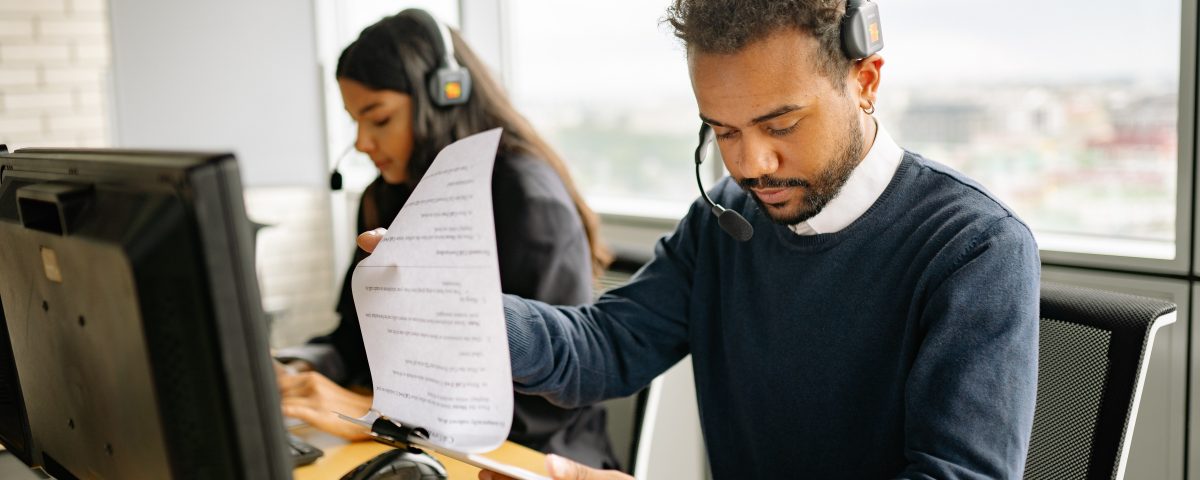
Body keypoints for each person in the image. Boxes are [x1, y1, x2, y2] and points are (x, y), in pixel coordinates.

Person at [363, 0, 1040, 478]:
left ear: (864, 81)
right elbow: (604, 347)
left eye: (780, 126)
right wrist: (470, 312)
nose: (750, 165)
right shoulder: (724, 222)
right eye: (722, 130)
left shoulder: (975, 250)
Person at [274, 8, 621, 470]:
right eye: (354, 121)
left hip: (532, 458)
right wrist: (296, 367)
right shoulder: (386, 196)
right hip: (422, 446)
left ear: (444, 97)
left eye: (378, 119)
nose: (360, 142)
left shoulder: (527, 197)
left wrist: (378, 415)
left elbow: (545, 404)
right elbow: (352, 342)